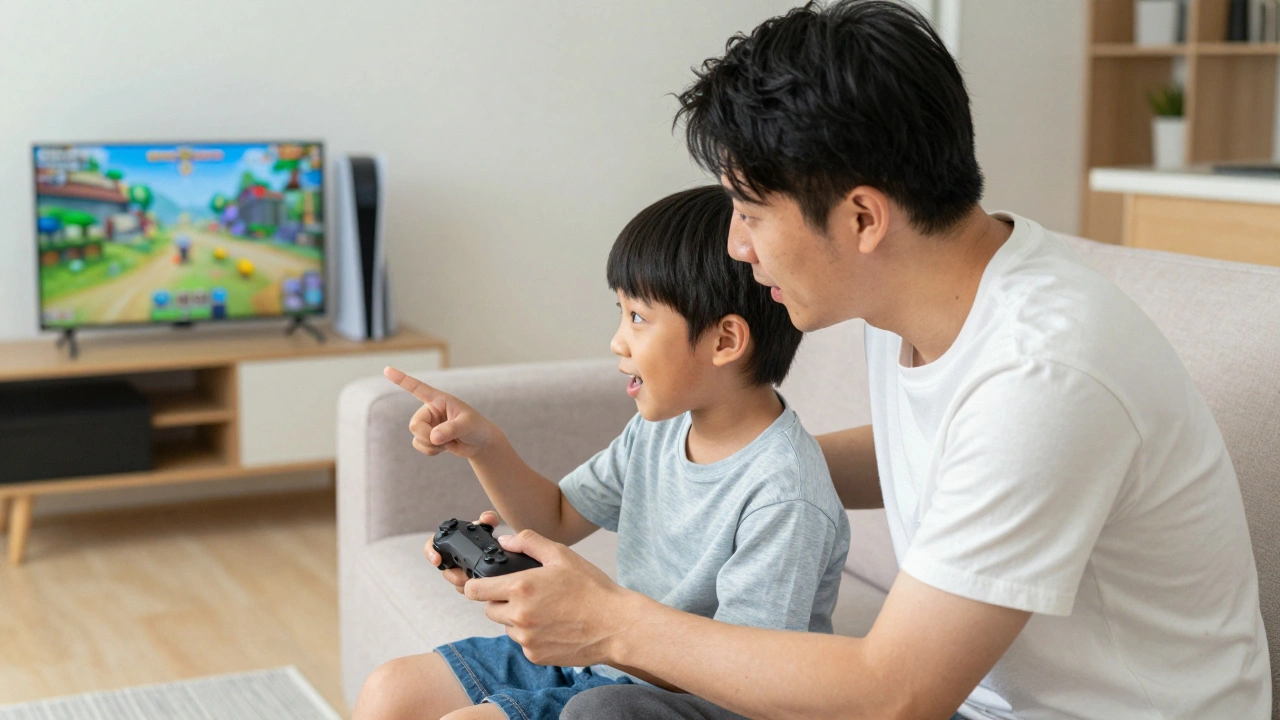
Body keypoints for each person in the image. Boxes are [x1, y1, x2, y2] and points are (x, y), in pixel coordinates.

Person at [433, 2, 1272, 719]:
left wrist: (611, 620)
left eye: (751, 212)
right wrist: (741, 472)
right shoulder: (929, 284)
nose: (737, 245)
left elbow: (895, 695)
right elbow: (946, 451)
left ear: (863, 218)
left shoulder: (1045, 372)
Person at [352, 185, 851, 720]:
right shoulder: (658, 432)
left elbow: (747, 675)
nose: (617, 340)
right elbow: (558, 518)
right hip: (603, 656)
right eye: (621, 312)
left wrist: (596, 629)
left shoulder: (784, 495)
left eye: (638, 317)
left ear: (725, 341)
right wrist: (486, 447)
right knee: (390, 691)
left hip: (696, 697)